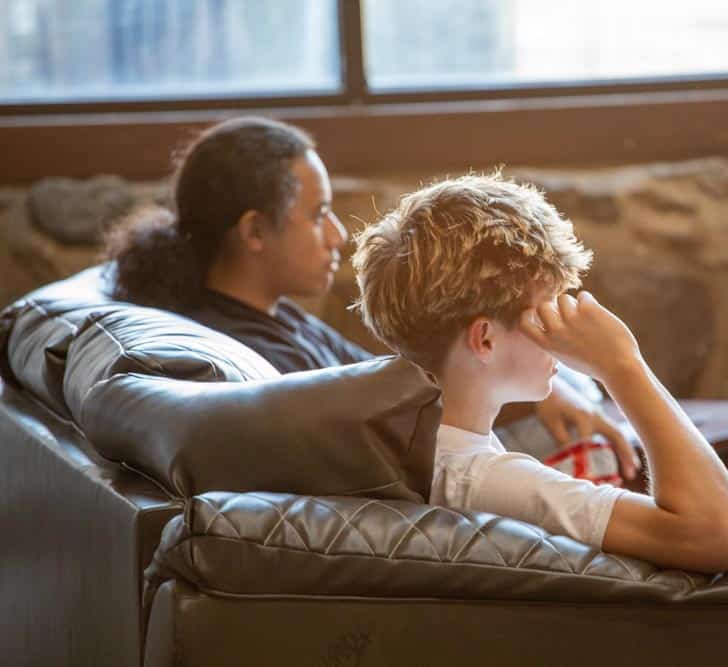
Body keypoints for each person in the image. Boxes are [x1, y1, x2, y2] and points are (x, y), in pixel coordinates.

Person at [104, 116, 637, 478]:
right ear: (255, 232)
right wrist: (538, 395)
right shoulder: (256, 352)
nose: (338, 235)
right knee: (607, 435)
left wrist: (544, 391)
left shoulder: (276, 317)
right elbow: (403, 422)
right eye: (317, 215)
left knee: (574, 390)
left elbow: (408, 388)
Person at [351, 174, 728, 572]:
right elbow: (723, 535)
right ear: (485, 339)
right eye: (546, 309)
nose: (559, 325)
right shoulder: (485, 481)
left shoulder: (418, 448)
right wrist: (623, 367)